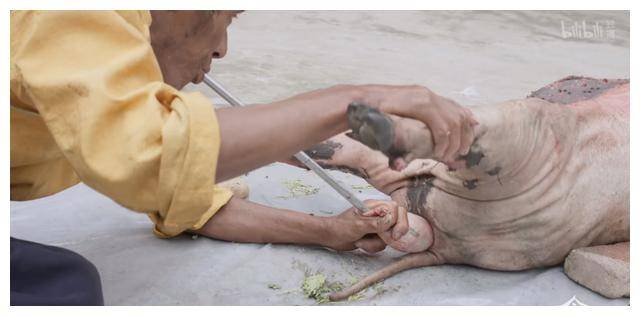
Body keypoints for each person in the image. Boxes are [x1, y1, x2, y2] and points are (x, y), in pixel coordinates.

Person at [10, 10, 476, 305]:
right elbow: (153, 159)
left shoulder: (103, 76)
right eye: (226, 17)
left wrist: (330, 232)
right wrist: (352, 99)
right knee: (64, 288)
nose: (221, 49)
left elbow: (186, 200)